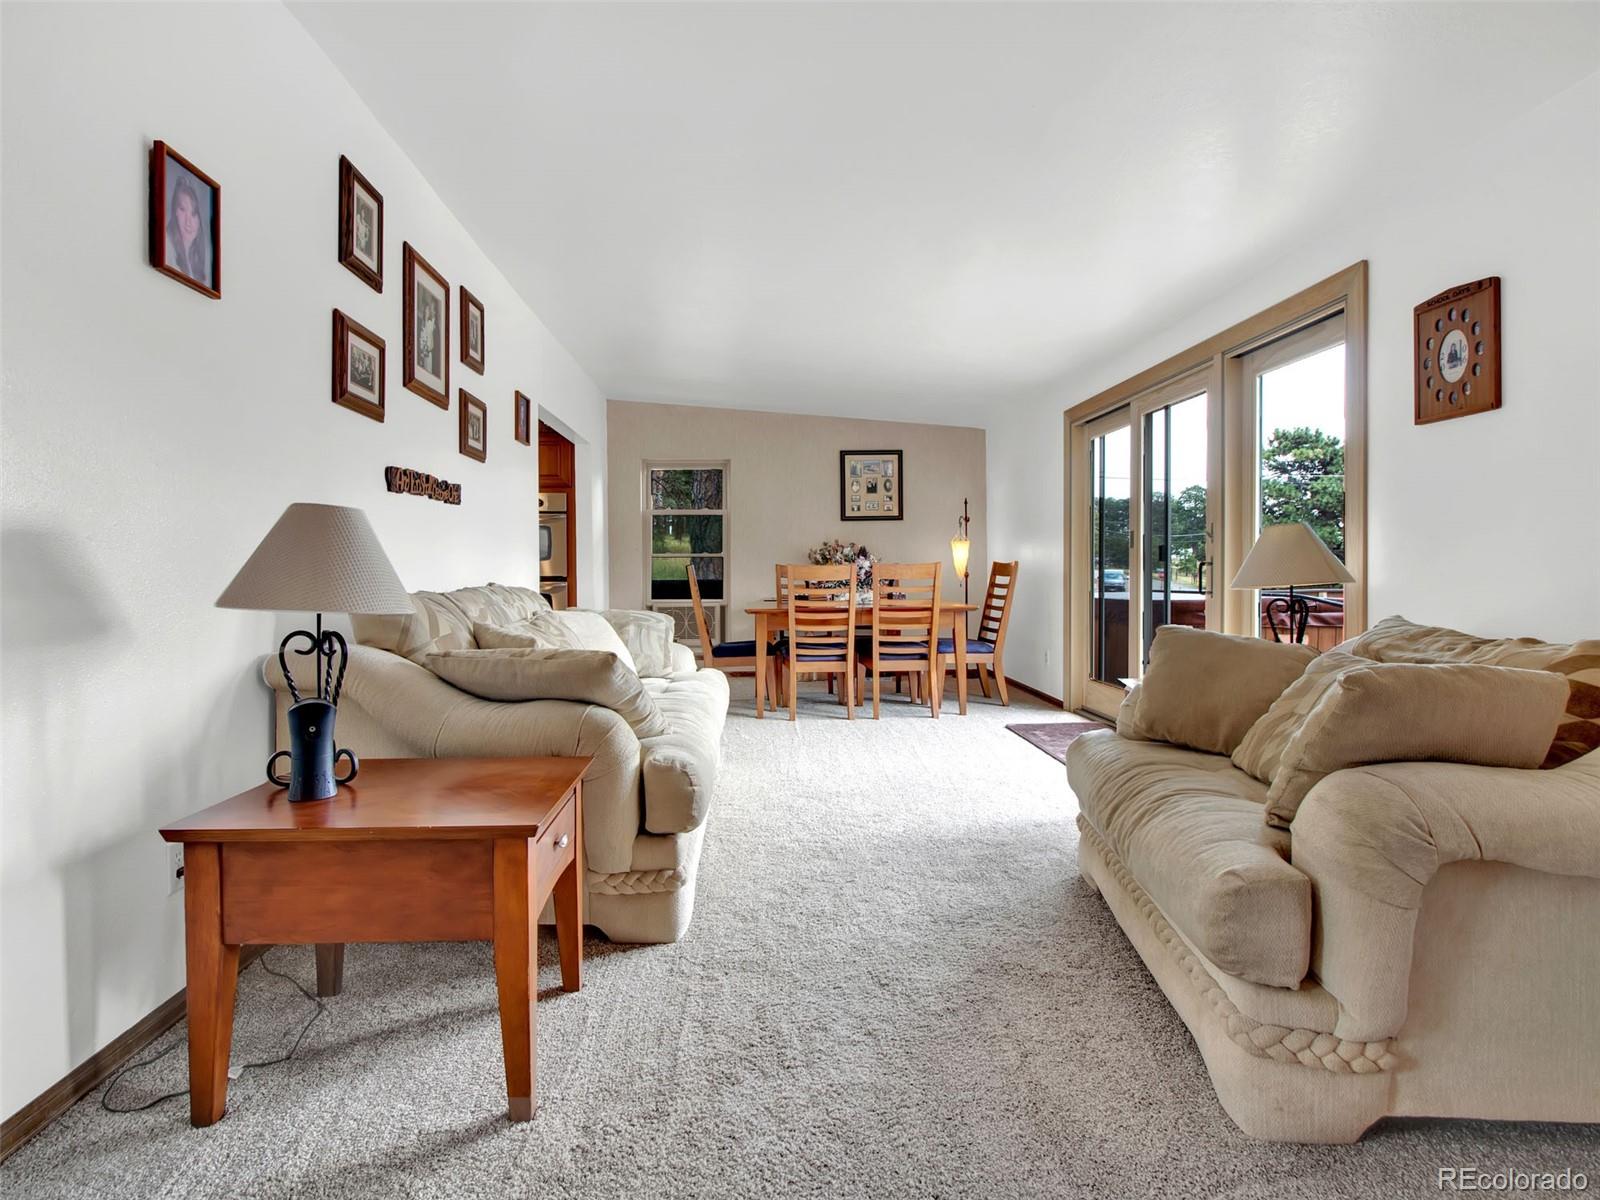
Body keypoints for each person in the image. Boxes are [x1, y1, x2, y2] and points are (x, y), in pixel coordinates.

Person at [164, 175, 209, 286]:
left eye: (193, 213)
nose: (188, 222)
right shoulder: (166, 248)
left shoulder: (196, 261)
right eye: (183, 209)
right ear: (175, 212)